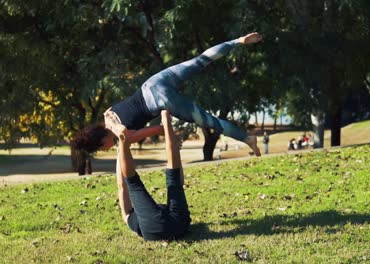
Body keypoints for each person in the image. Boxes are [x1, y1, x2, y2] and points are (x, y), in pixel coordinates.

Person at [74, 32, 263, 156]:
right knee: (200, 61)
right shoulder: (108, 114)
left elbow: (158, 129)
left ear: (101, 142)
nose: (106, 150)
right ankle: (238, 41)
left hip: (160, 100)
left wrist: (174, 137)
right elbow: (118, 113)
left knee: (209, 121)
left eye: (101, 149)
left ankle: (248, 139)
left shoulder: (123, 135)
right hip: (153, 82)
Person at [111, 110, 191, 240]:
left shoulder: (134, 218)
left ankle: (166, 123)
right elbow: (122, 187)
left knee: (173, 179)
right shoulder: (133, 217)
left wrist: (120, 151)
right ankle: (166, 123)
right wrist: (121, 150)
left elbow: (122, 187)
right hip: (176, 225)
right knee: (134, 183)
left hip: (176, 225)